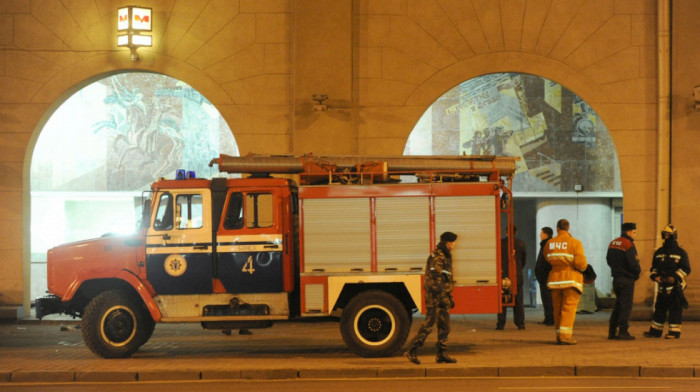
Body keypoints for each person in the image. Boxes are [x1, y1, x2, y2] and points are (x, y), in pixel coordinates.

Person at [404, 231, 458, 365]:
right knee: (428, 325)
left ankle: (442, 354)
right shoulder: (438, 257)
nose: (455, 244)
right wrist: (442, 296)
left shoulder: (446, 256)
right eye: (453, 242)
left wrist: (449, 296)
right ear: (447, 243)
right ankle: (412, 350)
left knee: (444, 326)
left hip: (443, 296)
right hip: (435, 298)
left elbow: (446, 279)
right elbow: (434, 280)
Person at [543, 219, 587, 345]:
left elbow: (547, 258)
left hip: (555, 280)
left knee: (557, 309)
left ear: (557, 229)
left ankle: (558, 335)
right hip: (571, 280)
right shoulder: (575, 243)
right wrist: (583, 269)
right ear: (568, 228)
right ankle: (565, 336)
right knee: (568, 309)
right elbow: (580, 264)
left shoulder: (550, 243)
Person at [643, 225, 691, 339]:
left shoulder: (681, 252)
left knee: (675, 311)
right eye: (664, 234)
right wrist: (655, 277)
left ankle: (674, 332)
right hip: (662, 288)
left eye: (668, 234)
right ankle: (655, 331)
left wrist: (674, 277)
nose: (666, 237)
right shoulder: (659, 252)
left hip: (675, 288)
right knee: (659, 310)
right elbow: (654, 268)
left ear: (674, 236)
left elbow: (686, 268)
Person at [606, 222, 641, 340]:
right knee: (625, 306)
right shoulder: (628, 244)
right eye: (634, 232)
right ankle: (623, 331)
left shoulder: (613, 243)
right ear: (629, 232)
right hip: (627, 279)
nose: (635, 235)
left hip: (616, 278)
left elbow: (608, 259)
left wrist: (616, 270)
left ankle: (612, 331)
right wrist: (636, 273)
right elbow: (632, 263)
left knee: (618, 305)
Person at [496, 226, 526, 330]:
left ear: (505, 232)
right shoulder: (521, 244)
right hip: (517, 275)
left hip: (503, 275)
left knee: (502, 299)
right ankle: (520, 324)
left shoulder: (500, 243)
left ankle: (500, 324)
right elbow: (523, 261)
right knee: (518, 301)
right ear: (516, 232)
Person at [535, 227, 554, 326]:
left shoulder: (548, 245)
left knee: (548, 299)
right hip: (543, 277)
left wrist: (542, 273)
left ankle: (550, 319)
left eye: (541, 233)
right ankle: (548, 318)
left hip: (546, 277)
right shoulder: (544, 244)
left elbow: (546, 262)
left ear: (546, 234)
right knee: (546, 299)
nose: (540, 235)